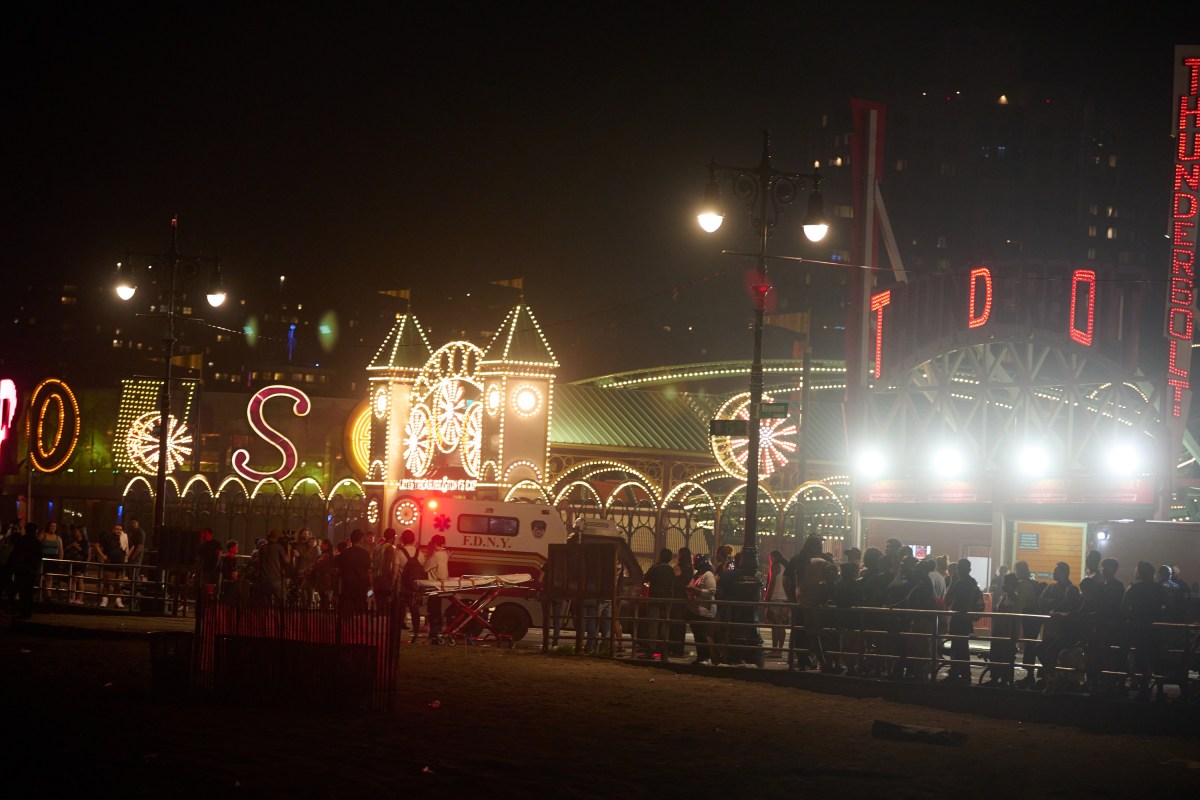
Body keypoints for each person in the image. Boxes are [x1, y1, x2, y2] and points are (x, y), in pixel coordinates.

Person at [1122, 560, 1166, 701]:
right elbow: (1168, 606)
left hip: (1139, 628)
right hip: (1155, 629)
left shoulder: (1133, 588)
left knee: (1141, 660)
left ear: (1140, 573)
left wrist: (1132, 617)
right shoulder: (1159, 588)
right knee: (1157, 660)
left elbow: (1124, 608)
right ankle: (1160, 691)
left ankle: (1143, 689)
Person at [942, 558, 983, 684]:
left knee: (956, 647)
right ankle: (965, 674)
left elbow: (947, 599)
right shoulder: (972, 582)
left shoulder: (959, 583)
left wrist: (952, 581)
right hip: (967, 620)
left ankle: (955, 673)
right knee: (963, 647)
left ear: (958, 570)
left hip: (958, 619)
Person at [985, 572, 1022, 687]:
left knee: (1005, 656)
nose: (1003, 585)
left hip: (1007, 632)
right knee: (996, 654)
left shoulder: (1015, 599)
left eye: (1006, 583)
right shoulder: (1004, 597)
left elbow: (1014, 617)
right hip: (999, 631)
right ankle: (995, 678)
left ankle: (1004, 680)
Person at [638, 548, 675, 659]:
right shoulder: (671, 570)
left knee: (653, 625)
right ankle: (663, 650)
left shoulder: (655, 568)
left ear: (661, 557)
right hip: (667, 600)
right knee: (664, 625)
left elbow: (644, 579)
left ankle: (651, 649)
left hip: (655, 599)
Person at [686, 553, 717, 665]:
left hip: (705, 608)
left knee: (702, 634)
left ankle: (707, 657)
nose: (693, 564)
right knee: (697, 634)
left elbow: (712, 591)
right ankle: (701, 656)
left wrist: (697, 591)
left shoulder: (708, 575)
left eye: (695, 561)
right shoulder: (697, 575)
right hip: (696, 609)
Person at [335, 529, 372, 615]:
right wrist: (370, 589)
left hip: (347, 584)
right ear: (361, 539)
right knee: (360, 607)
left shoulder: (344, 553)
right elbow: (369, 572)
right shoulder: (365, 553)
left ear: (351, 540)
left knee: (347, 607)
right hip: (362, 585)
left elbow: (337, 570)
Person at [11, 522, 44, 619]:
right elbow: (39, 556)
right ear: (35, 531)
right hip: (32, 569)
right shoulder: (37, 542)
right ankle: (28, 611)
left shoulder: (21, 540)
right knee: (29, 592)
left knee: (22, 592)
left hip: (21, 569)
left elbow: (15, 554)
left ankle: (23, 612)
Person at [421, 534, 449, 642]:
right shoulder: (444, 554)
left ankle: (434, 633)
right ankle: (437, 631)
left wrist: (428, 555)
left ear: (435, 543)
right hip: (441, 586)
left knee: (432, 611)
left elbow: (425, 568)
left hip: (434, 586)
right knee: (437, 610)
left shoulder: (436, 555)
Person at [667, 546, 693, 657]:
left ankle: (673, 649)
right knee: (681, 626)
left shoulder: (678, 568)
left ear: (681, 555)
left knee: (674, 625)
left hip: (677, 597)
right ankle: (679, 649)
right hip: (684, 598)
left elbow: (671, 580)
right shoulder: (690, 568)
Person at [764, 550, 790, 658]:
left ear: (773, 558)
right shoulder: (786, 567)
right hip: (785, 600)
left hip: (775, 599)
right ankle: (780, 650)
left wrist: (766, 599)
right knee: (781, 626)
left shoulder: (774, 567)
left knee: (775, 627)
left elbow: (771, 583)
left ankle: (775, 649)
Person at [395, 529, 421, 631]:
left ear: (402, 539)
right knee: (414, 608)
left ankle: (398, 627)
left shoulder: (399, 552)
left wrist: (393, 585)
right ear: (413, 539)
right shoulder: (419, 553)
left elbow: (395, 571)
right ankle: (416, 631)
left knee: (400, 607)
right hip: (415, 586)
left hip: (402, 586)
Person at [256, 530, 290, 606]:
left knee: (265, 604)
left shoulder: (262, 548)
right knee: (282, 603)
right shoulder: (278, 547)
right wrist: (289, 549)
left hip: (264, 580)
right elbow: (287, 561)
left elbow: (258, 562)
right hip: (275, 579)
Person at [96, 523, 126, 609]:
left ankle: (118, 601)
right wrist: (102, 556)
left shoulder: (124, 538)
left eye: (120, 529)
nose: (118, 531)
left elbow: (131, 546)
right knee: (107, 583)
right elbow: (97, 545)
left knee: (118, 584)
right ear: (113, 530)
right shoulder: (108, 538)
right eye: (117, 529)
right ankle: (104, 600)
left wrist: (127, 556)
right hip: (109, 564)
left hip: (119, 565)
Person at [64, 525, 90, 605]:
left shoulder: (84, 542)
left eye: (76, 531)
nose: (75, 533)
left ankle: (79, 598)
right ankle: (72, 597)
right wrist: (72, 545)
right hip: (72, 562)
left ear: (80, 533)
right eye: (74, 531)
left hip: (80, 563)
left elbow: (85, 553)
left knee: (79, 580)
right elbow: (65, 549)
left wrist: (76, 547)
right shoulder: (72, 540)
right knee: (72, 580)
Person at [373, 528, 398, 612]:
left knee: (377, 601)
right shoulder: (390, 548)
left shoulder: (377, 547)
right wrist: (392, 580)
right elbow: (388, 567)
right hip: (384, 581)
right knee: (385, 604)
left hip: (376, 580)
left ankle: (377, 617)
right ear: (393, 537)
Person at [38, 521, 63, 599]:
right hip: (44, 559)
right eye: (52, 526)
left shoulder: (58, 538)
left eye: (55, 526)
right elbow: (37, 546)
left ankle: (48, 595)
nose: (53, 528)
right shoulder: (43, 535)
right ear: (48, 527)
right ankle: (47, 595)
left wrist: (60, 561)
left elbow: (61, 551)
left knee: (50, 577)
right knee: (46, 577)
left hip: (53, 559)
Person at [194, 529, 222, 598]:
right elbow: (199, 558)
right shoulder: (202, 546)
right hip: (206, 570)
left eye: (205, 533)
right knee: (205, 590)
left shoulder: (216, 543)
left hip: (216, 571)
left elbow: (219, 555)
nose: (204, 535)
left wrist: (215, 566)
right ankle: (206, 602)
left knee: (215, 590)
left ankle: (214, 602)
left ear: (210, 534)